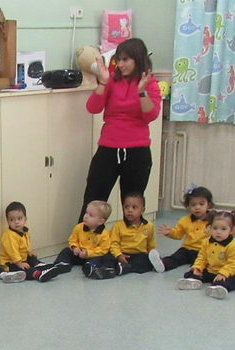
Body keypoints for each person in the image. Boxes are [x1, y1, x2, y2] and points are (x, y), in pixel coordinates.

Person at [80, 37, 162, 218]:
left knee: (132, 204)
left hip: (137, 151)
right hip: (108, 148)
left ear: (138, 59)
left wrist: (141, 91)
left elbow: (151, 115)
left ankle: (131, 243)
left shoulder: (150, 83)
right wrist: (102, 83)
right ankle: (82, 242)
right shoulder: (111, 81)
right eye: (119, 59)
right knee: (93, 199)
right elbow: (93, 108)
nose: (121, 64)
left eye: (126, 59)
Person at [177, 209, 235, 299]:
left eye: (223, 229)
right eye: (215, 228)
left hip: (229, 273)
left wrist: (223, 273)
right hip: (210, 270)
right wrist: (198, 267)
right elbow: (202, 257)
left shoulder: (234, 246)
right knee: (191, 272)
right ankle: (193, 281)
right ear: (210, 227)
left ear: (231, 230)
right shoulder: (206, 242)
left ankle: (218, 288)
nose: (218, 232)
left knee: (229, 281)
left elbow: (234, 263)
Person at [0, 202, 68, 282]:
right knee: (24, 270)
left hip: (22, 258)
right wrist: (19, 263)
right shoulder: (9, 235)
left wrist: (29, 252)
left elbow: (26, 245)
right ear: (7, 221)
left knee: (32, 258)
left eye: (19, 218)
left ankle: (40, 265)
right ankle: (37, 274)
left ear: (25, 219)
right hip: (10, 263)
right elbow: (12, 252)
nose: (16, 222)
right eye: (12, 220)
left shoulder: (24, 231)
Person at [157, 186, 214, 271]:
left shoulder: (213, 221)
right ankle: (162, 264)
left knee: (204, 262)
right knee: (176, 257)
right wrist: (170, 232)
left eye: (201, 204)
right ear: (188, 207)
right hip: (187, 249)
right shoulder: (185, 220)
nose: (197, 207)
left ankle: (197, 269)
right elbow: (178, 234)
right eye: (193, 204)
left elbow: (222, 234)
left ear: (208, 205)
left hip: (203, 251)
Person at [50, 200, 112, 278]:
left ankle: (90, 267)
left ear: (100, 221)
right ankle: (62, 264)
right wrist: (75, 247)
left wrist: (88, 253)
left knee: (102, 257)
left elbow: (103, 249)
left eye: (91, 215)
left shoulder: (105, 234)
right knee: (66, 251)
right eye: (86, 213)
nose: (86, 216)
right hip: (78, 254)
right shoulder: (79, 227)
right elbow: (72, 239)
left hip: (91, 256)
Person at [108, 193, 164, 275]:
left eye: (134, 207)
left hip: (139, 255)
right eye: (126, 207)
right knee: (107, 258)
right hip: (123, 253)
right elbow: (113, 243)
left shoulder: (148, 226)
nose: (129, 210)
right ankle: (108, 268)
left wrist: (152, 252)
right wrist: (118, 254)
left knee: (145, 260)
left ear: (142, 210)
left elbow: (150, 243)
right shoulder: (118, 226)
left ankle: (126, 268)